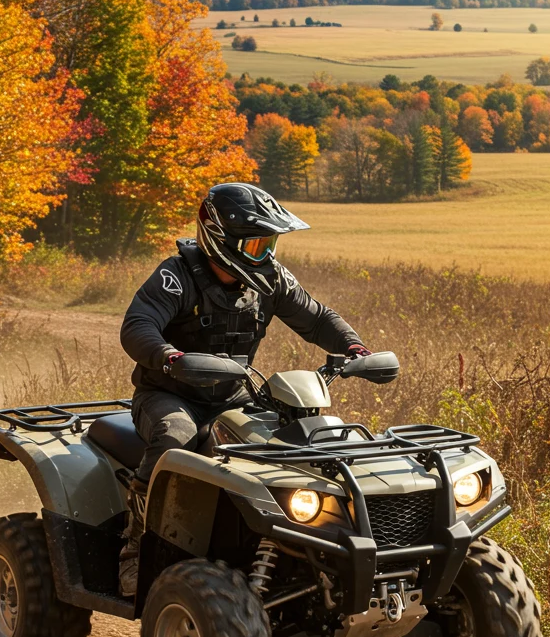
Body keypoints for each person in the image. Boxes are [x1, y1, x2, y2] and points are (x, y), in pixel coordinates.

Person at [117, 182, 370, 595]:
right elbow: (137, 325)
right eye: (255, 245)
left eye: (269, 243)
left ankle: (300, 550)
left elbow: (318, 319)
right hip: (169, 396)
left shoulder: (270, 280)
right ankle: (134, 550)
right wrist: (169, 356)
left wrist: (353, 345)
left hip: (234, 398)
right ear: (220, 240)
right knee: (175, 437)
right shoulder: (176, 276)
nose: (265, 255)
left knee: (300, 440)